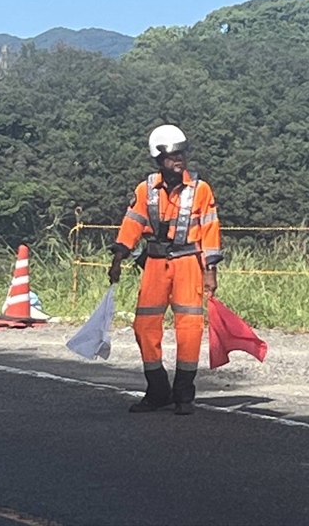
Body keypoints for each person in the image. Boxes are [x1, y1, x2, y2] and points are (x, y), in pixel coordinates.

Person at [108, 124, 223, 415]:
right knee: (144, 325)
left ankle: (184, 394)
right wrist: (118, 258)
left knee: (190, 328)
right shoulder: (145, 190)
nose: (179, 159)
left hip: (188, 263)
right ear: (159, 159)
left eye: (182, 153)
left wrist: (210, 269)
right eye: (172, 155)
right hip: (156, 264)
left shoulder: (201, 189)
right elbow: (131, 224)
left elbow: (210, 228)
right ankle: (158, 389)